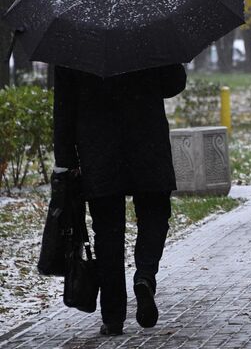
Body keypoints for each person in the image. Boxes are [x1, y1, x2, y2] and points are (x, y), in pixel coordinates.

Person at [53, 63, 187, 335]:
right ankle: (145, 276)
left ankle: (113, 317)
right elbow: (173, 84)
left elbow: (64, 106)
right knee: (155, 214)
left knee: (107, 233)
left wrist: (66, 160)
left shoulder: (75, 40)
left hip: (99, 149)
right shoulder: (149, 29)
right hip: (147, 141)